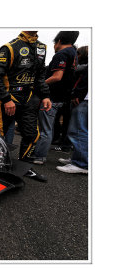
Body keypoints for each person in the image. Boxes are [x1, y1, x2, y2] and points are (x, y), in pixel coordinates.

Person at [0, 31, 52, 181]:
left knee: (32, 135)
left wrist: (45, 95)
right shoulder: (10, 47)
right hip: (9, 100)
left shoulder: (41, 47)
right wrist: (6, 99)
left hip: (29, 100)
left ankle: (25, 168)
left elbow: (40, 75)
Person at [32, 31, 79, 164]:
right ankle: (39, 154)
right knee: (49, 127)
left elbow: (57, 76)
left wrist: (38, 84)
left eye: (54, 43)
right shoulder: (73, 53)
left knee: (45, 129)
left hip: (52, 97)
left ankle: (39, 156)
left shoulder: (62, 54)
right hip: (62, 97)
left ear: (58, 41)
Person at [57, 46, 88, 174]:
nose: (76, 58)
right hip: (85, 99)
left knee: (78, 131)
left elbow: (86, 80)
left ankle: (81, 163)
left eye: (78, 55)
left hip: (84, 99)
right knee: (80, 130)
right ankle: (78, 159)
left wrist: (78, 94)